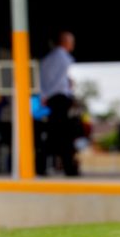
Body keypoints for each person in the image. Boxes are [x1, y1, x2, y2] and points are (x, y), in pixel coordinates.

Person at [39, 31, 79, 176]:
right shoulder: (62, 57)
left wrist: (43, 95)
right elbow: (57, 81)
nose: (73, 44)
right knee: (63, 135)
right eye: (71, 41)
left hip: (53, 99)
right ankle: (69, 167)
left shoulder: (49, 58)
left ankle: (42, 165)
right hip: (58, 99)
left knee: (54, 133)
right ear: (65, 42)